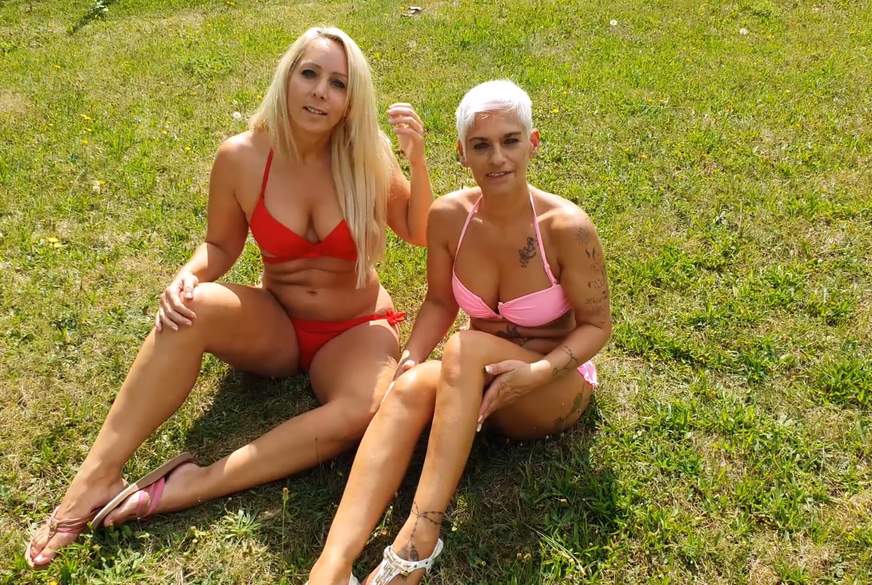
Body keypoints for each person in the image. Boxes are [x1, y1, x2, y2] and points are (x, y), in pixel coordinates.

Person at [25, 26, 433, 569]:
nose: (320, 92)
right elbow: (220, 245)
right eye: (309, 74)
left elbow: (418, 230)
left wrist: (416, 160)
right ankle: (95, 477)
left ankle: (193, 484)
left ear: (350, 100)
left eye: (338, 83)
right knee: (190, 308)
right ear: (287, 78)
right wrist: (187, 274)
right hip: (278, 324)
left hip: (355, 329)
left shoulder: (366, 155)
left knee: (366, 408)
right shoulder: (242, 156)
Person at [307, 80, 611, 585]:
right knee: (409, 386)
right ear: (462, 153)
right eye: (481, 145)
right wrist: (412, 355)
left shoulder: (566, 227)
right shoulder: (450, 217)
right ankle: (332, 564)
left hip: (554, 384)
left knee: (465, 348)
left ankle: (418, 539)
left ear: (533, 143)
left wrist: (539, 371)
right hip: (476, 379)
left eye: (510, 141)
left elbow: (598, 325)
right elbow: (441, 301)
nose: (498, 158)